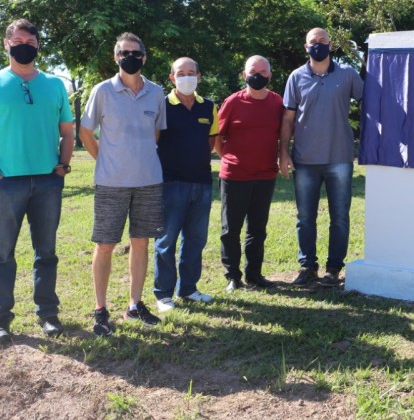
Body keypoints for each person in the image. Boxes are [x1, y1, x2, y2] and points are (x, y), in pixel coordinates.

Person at [0, 18, 74, 343]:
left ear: (38, 46)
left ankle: (48, 315)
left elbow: (67, 132)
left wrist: (61, 167)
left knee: (47, 253)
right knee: (2, 253)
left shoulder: (55, 85)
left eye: (30, 40)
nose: (24, 45)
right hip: (6, 185)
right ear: (6, 44)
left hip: (46, 183)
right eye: (18, 40)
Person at [78, 32, 166, 336]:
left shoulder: (156, 93)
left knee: (141, 243)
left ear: (144, 57)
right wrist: (105, 159)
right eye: (124, 52)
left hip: (148, 181)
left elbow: (156, 134)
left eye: (136, 52)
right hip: (111, 183)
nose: (130, 57)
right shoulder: (102, 91)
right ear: (116, 57)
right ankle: (101, 310)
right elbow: (85, 132)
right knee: (105, 245)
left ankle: (134, 305)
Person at [280, 27, 364, 287]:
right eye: (313, 42)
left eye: (323, 41)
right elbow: (288, 118)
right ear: (306, 47)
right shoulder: (296, 77)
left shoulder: (348, 74)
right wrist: (283, 151)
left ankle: (333, 270)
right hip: (305, 159)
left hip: (339, 157)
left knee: (340, 216)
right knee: (305, 217)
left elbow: (369, 103)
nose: (318, 45)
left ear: (331, 45)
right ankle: (308, 267)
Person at [153, 57, 217, 311]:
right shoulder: (161, 105)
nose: (187, 77)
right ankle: (163, 294)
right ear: (172, 78)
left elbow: (210, 143)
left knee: (196, 239)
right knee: (166, 241)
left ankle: (188, 289)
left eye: (192, 72)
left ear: (199, 77)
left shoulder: (209, 106)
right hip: (170, 183)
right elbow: (153, 141)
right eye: (181, 73)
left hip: (202, 183)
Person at [215, 55, 284, 292]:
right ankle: (233, 276)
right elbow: (218, 138)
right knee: (230, 229)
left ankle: (254, 275)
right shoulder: (233, 102)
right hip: (235, 176)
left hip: (265, 176)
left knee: (257, 228)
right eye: (254, 71)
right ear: (244, 75)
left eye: (264, 72)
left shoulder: (277, 102)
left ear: (270, 75)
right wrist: (231, 159)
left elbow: (284, 135)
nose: (259, 76)